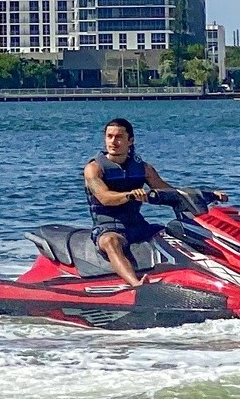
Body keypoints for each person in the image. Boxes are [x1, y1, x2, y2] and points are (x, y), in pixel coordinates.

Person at [81, 118, 224, 288]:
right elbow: (104, 197)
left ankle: (212, 276)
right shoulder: (94, 168)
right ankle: (136, 285)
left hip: (138, 225)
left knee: (176, 235)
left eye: (119, 137)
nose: (113, 142)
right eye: (109, 136)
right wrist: (130, 195)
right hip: (107, 227)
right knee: (110, 241)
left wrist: (207, 194)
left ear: (130, 141)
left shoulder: (143, 168)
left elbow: (169, 192)